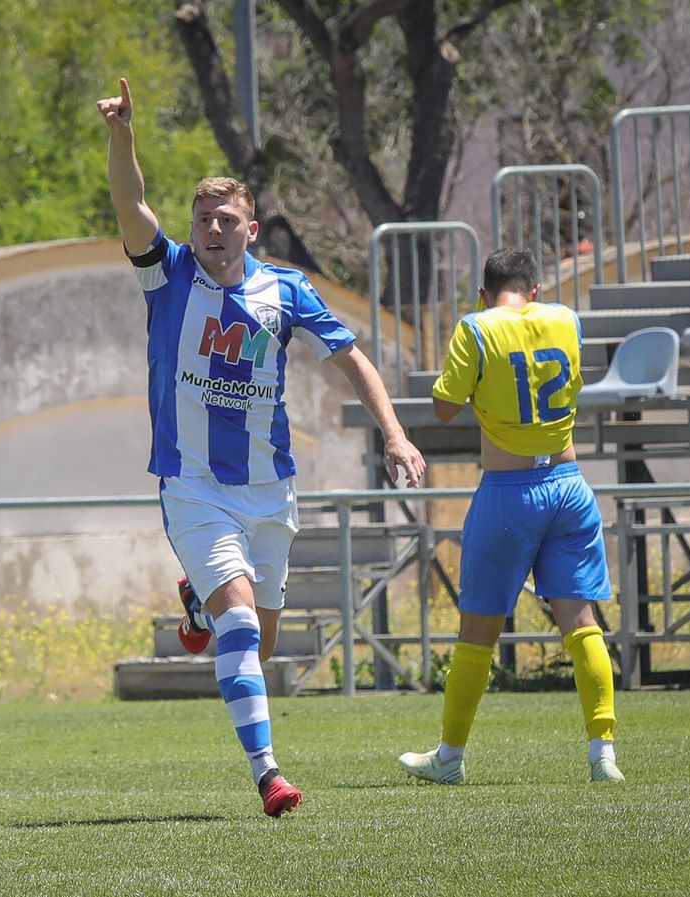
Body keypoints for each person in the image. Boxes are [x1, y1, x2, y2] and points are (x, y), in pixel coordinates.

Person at [98, 78, 426, 817]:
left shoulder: (286, 290)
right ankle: (269, 773)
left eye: (226, 219)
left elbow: (353, 358)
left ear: (252, 229)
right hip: (192, 484)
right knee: (242, 625)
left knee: (262, 637)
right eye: (202, 217)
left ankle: (198, 603)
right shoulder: (170, 273)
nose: (211, 228)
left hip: (268, 487)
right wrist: (123, 137)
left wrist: (396, 434)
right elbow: (129, 205)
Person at [397, 247, 623, 785]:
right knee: (581, 622)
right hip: (569, 485)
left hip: (508, 492)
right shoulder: (566, 320)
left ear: (483, 292)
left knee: (478, 627)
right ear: (537, 290)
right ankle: (603, 753)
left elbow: (444, 405)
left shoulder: (476, 327)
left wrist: (481, 383)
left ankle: (449, 757)